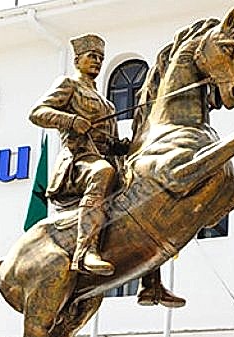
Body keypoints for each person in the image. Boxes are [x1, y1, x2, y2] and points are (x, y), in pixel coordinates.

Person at [29, 33, 184, 306]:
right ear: (78, 60)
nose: (97, 62)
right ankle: (84, 251)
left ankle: (151, 284)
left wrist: (120, 146)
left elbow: (109, 143)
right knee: (102, 171)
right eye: (92, 57)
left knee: (146, 195)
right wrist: (71, 121)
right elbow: (38, 113)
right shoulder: (68, 85)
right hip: (79, 162)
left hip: (106, 161)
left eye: (100, 58)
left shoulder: (107, 103)